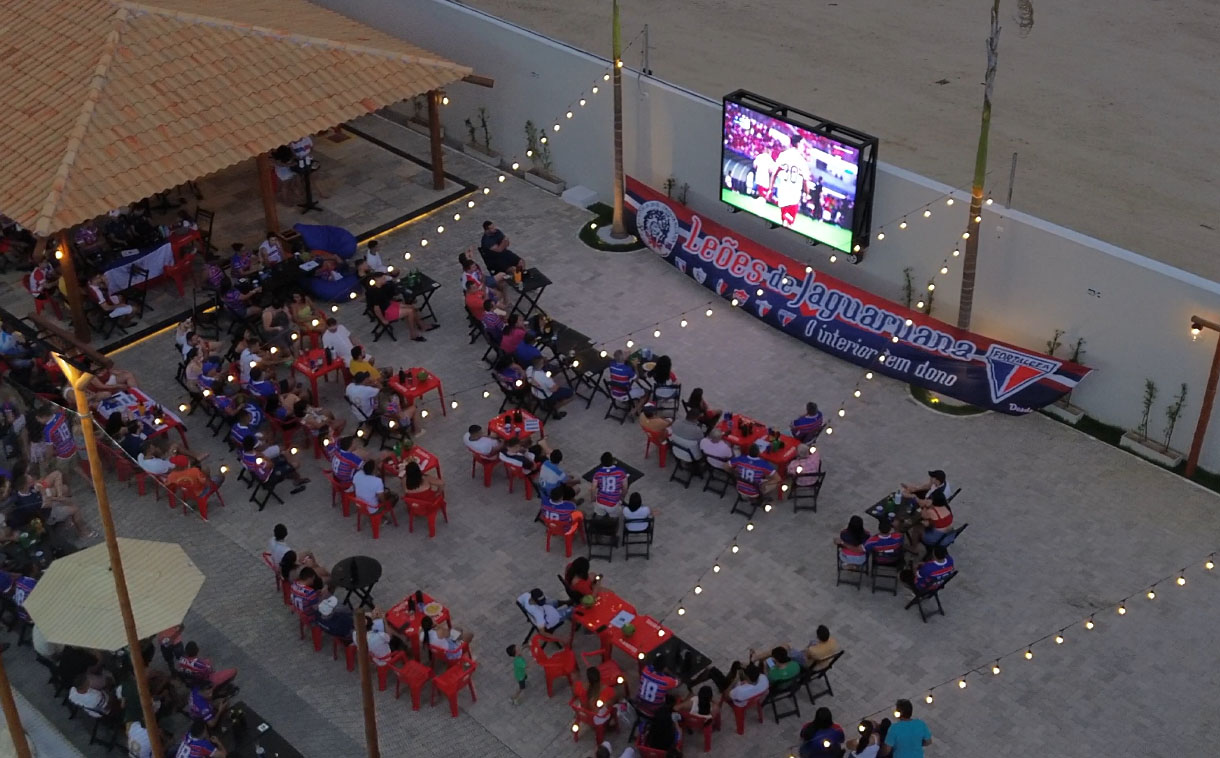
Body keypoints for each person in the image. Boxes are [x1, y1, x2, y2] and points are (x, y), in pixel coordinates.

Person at [769, 131, 810, 227]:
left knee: (784, 222)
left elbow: (774, 173)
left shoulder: (783, 155)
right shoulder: (802, 161)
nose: (804, 147)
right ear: (798, 144)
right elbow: (805, 180)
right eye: (803, 144)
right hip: (794, 194)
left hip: (783, 192)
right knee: (789, 225)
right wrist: (807, 194)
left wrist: (771, 188)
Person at [368, 274, 426, 342]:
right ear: (377, 279)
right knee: (410, 311)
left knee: (412, 307)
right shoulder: (376, 292)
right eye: (383, 278)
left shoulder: (380, 287)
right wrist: (383, 320)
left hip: (388, 304)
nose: (385, 279)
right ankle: (413, 334)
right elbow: (376, 309)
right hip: (386, 311)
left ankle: (422, 325)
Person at [608, 351, 648, 416]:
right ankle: (635, 410)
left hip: (613, 392)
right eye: (624, 354)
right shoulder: (627, 369)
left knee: (632, 386)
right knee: (646, 392)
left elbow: (616, 359)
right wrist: (635, 367)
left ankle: (631, 402)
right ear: (623, 359)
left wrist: (624, 357)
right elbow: (636, 379)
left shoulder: (611, 365)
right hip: (623, 394)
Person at [589, 452, 628, 517]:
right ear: (612, 461)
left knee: (600, 516)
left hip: (600, 502)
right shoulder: (621, 472)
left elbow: (593, 488)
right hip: (613, 504)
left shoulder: (598, 473)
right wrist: (621, 499)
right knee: (614, 517)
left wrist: (593, 499)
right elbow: (625, 488)